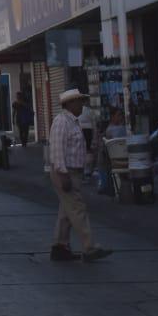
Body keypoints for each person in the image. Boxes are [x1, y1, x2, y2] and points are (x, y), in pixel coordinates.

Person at [46, 88, 111, 264]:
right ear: (69, 104)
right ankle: (89, 247)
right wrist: (63, 174)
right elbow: (57, 150)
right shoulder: (62, 122)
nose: (81, 105)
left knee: (66, 211)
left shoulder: (73, 122)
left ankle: (60, 247)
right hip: (65, 172)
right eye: (78, 101)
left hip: (73, 172)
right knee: (77, 208)